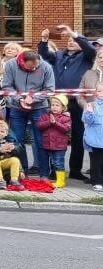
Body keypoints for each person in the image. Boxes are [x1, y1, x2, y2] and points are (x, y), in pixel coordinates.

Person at [36, 25, 96, 181]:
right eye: (69, 40)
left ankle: (75, 169)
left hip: (76, 101)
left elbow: (91, 49)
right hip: (57, 101)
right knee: (53, 135)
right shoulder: (58, 55)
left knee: (78, 136)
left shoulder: (86, 56)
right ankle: (54, 170)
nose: (71, 42)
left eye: (74, 40)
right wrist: (43, 41)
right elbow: (43, 54)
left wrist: (74, 34)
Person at [2, 49, 55, 178]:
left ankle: (44, 173)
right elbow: (7, 86)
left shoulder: (46, 67)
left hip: (39, 107)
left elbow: (49, 89)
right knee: (17, 140)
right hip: (17, 107)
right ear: (22, 62)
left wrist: (34, 99)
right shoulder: (10, 65)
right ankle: (21, 171)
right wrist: (19, 99)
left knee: (40, 140)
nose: (34, 69)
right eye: (31, 67)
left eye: (37, 66)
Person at [34, 95, 72, 188]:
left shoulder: (66, 118)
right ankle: (44, 176)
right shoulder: (45, 116)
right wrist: (49, 122)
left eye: (57, 105)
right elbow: (39, 125)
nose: (54, 107)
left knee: (58, 162)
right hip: (46, 144)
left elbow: (66, 129)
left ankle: (60, 181)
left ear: (63, 107)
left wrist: (55, 123)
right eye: (52, 105)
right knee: (45, 161)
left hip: (59, 146)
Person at [83, 84, 103, 192]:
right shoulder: (91, 105)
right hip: (95, 139)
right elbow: (87, 121)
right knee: (96, 162)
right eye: (100, 91)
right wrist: (89, 112)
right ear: (95, 93)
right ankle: (97, 181)